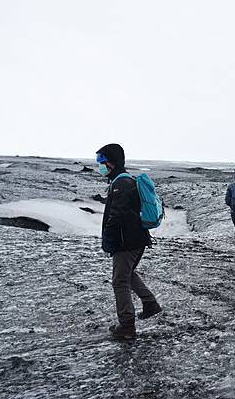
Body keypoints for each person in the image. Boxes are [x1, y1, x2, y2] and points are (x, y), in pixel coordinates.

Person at [95, 143, 162, 340]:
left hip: (127, 242)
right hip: (136, 239)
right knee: (128, 273)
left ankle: (127, 325)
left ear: (111, 162)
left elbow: (117, 216)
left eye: (101, 160)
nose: (99, 165)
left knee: (119, 280)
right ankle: (150, 304)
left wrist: (108, 240)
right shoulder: (123, 181)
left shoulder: (121, 184)